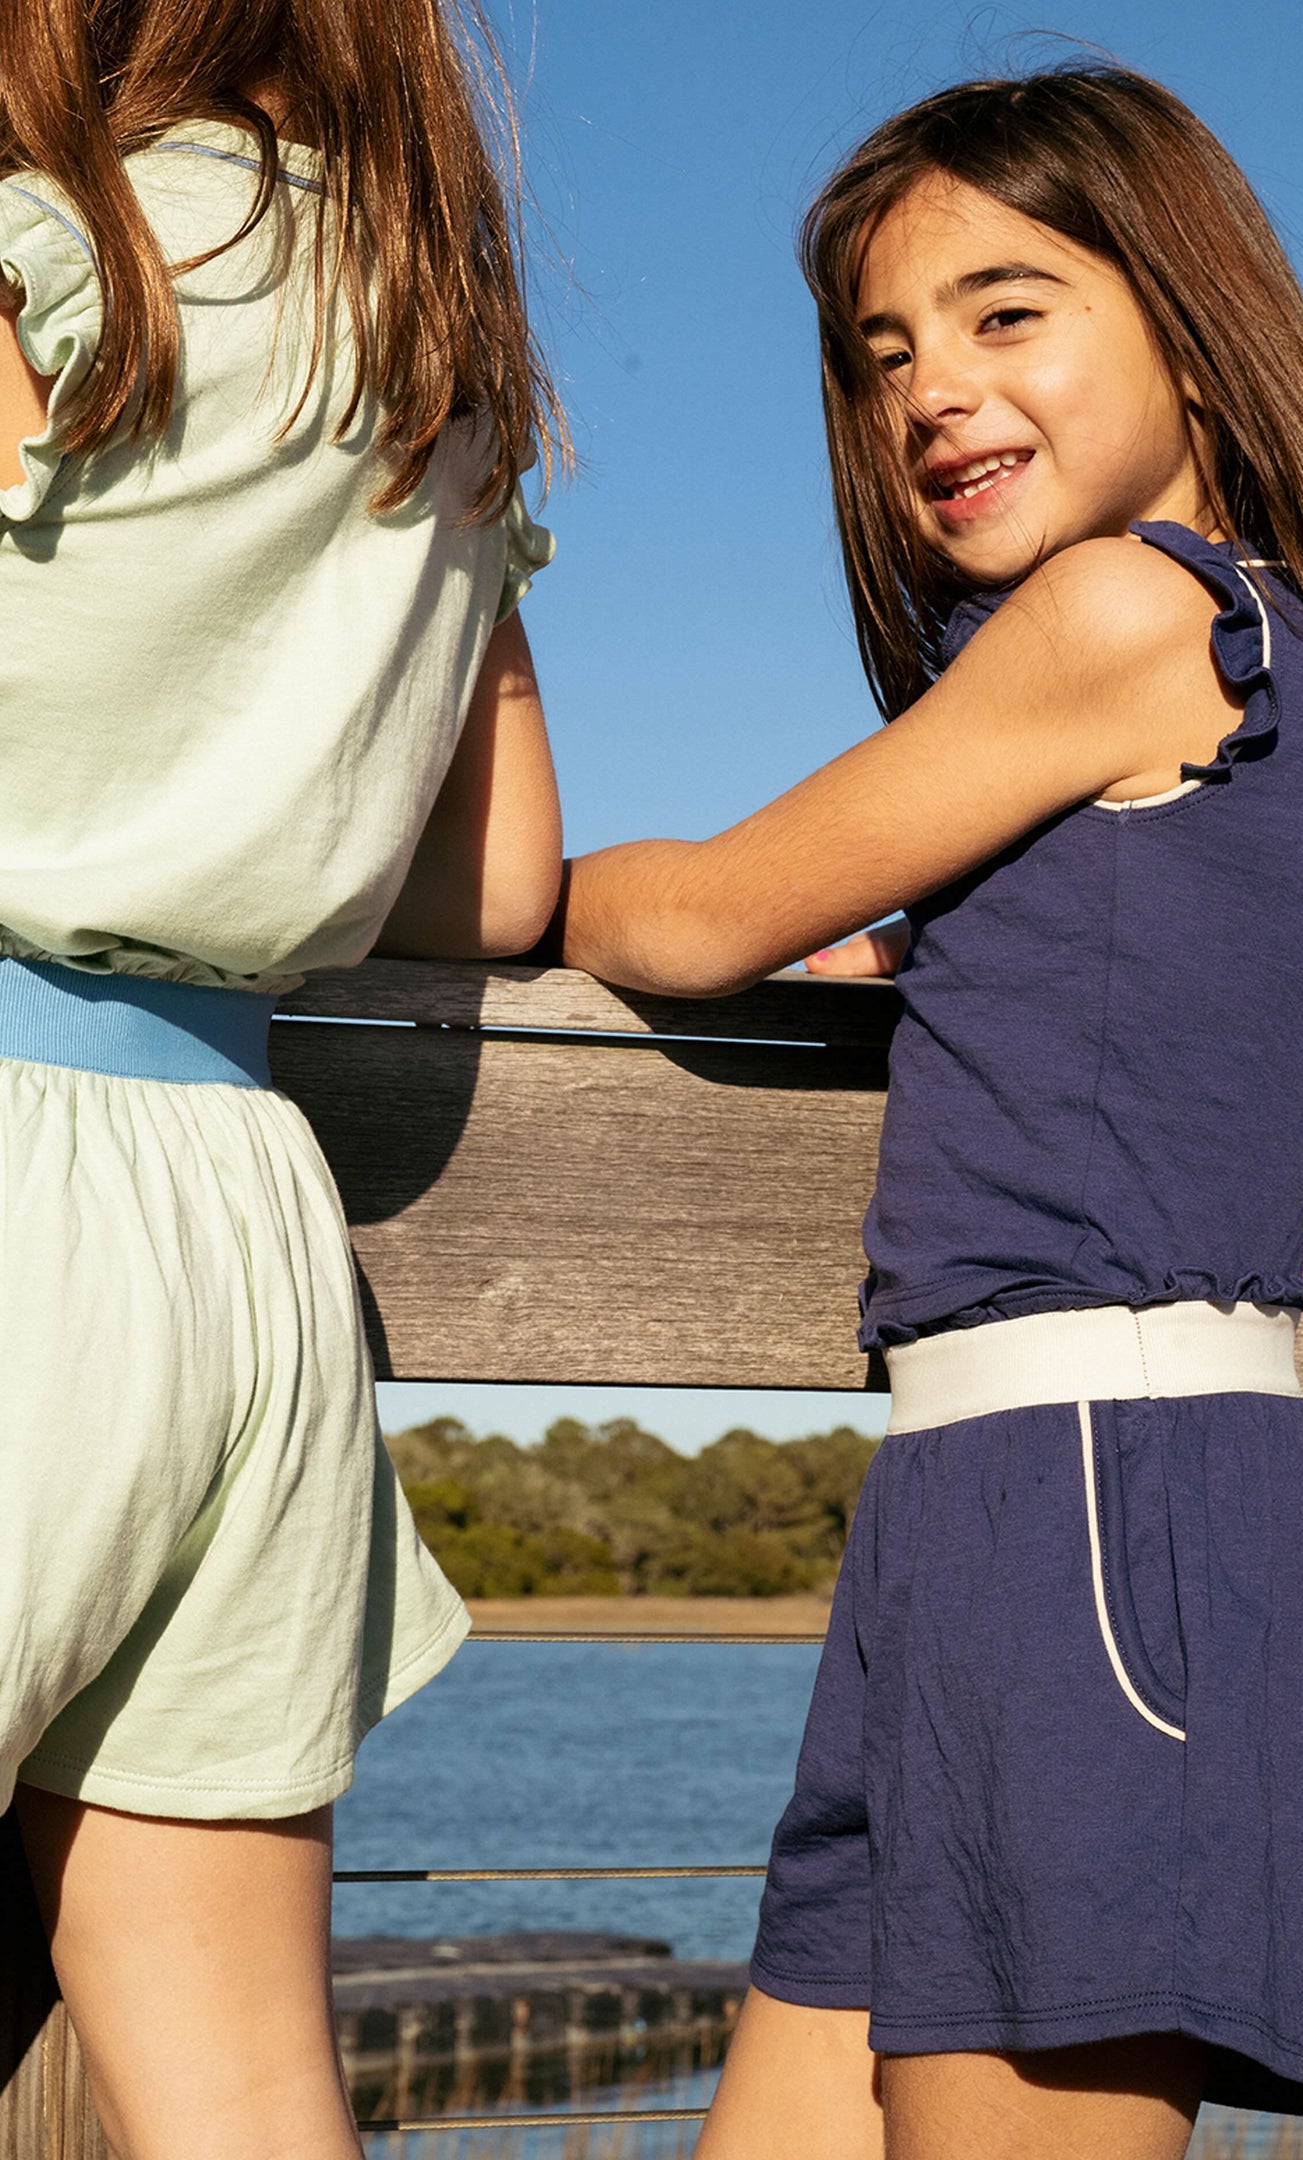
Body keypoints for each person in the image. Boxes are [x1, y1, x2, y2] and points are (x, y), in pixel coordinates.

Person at [544, 65, 1303, 2160]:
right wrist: (984, 922)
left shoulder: (1122, 610)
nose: (931, 389)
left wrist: (443, 886)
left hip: (1100, 1509)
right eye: (883, 355)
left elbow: (701, 917)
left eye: (1005, 312)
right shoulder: (1256, 652)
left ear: (1194, 323)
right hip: (981, 1513)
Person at [0, 5, 562, 2154]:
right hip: (240, 1222)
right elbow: (501, 880)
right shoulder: (430, 364)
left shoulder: (51, 249)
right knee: (242, 2094)